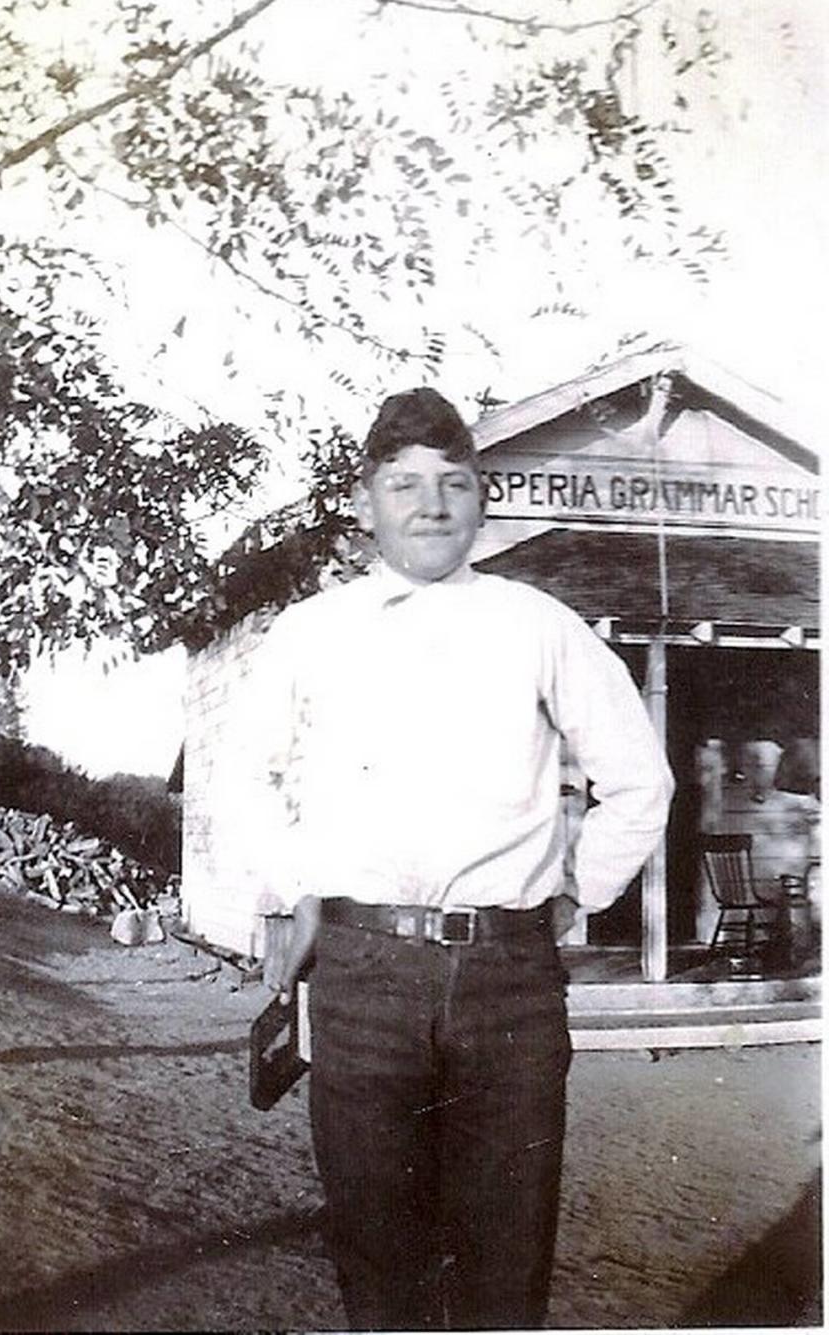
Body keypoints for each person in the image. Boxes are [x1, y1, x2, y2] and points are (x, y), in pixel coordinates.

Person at [211, 387, 674, 1330]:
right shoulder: (314, 631)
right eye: (404, 484)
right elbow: (241, 778)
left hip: (509, 979)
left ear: (480, 500)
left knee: (505, 1260)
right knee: (381, 1260)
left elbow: (641, 781)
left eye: (454, 483)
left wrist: (576, 892)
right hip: (361, 978)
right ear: (365, 502)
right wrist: (294, 889)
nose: (431, 504)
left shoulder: (537, 625)